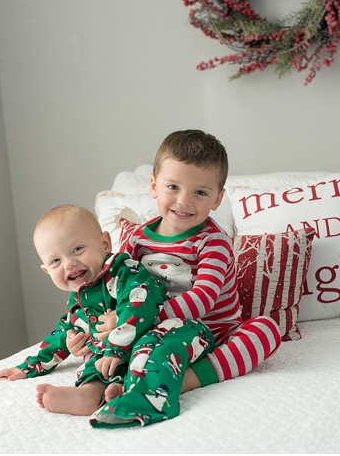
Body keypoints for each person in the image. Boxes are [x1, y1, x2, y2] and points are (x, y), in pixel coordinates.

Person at [92, 129, 281, 428]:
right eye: (173, 187)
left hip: (214, 331)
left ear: (217, 199)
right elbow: (117, 285)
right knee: (123, 340)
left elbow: (203, 297)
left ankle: (180, 383)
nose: (184, 201)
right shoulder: (138, 240)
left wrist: (138, 319)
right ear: (153, 186)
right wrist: (99, 324)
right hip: (156, 329)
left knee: (266, 330)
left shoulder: (213, 242)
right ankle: (120, 381)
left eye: (200, 192)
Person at [0, 205, 173, 417]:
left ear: (105, 244)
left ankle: (132, 389)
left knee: (148, 354)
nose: (69, 263)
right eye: (56, 261)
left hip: (147, 338)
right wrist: (28, 367)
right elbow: (61, 334)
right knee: (96, 362)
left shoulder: (124, 270)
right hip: (110, 356)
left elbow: (140, 300)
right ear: (47, 270)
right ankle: (89, 394)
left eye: (77, 249)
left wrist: (117, 334)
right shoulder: (78, 300)